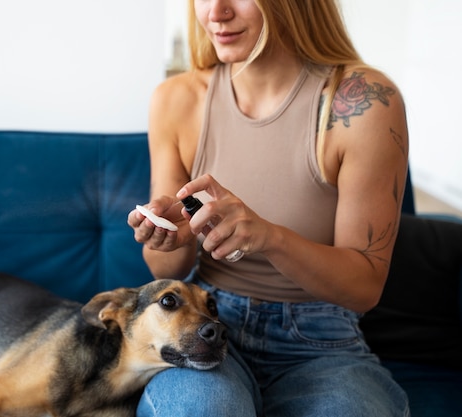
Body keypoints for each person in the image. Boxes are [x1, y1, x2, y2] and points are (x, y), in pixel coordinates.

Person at [127, 0, 410, 416]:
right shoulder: (176, 99)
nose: (216, 12)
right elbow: (164, 270)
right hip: (207, 318)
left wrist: (272, 238)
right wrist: (169, 239)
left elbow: (364, 290)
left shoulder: (362, 101)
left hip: (320, 339)